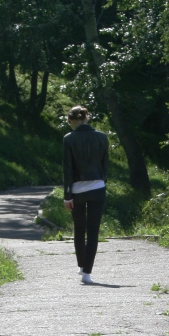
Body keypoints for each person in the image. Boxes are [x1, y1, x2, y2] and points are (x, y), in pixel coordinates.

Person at [63, 105, 109, 285]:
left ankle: (82, 265)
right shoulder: (102, 137)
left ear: (72, 120)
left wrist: (67, 196)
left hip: (77, 190)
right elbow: (105, 165)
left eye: (69, 122)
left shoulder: (69, 139)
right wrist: (102, 182)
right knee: (93, 231)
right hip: (98, 187)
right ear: (86, 118)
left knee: (79, 229)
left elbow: (68, 169)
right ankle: (87, 273)